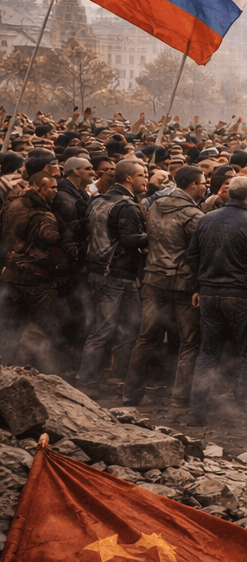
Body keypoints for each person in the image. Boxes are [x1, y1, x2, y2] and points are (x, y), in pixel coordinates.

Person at [185, 176, 247, 427]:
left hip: (209, 295)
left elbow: (192, 256)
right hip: (242, 296)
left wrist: (197, 286)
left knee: (207, 353)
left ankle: (196, 411)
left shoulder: (205, 219)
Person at [122, 165, 206, 406]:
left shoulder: (156, 205)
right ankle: (180, 398)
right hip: (182, 283)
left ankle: (131, 393)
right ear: (192, 186)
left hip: (153, 278)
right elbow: (198, 254)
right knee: (189, 342)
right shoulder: (194, 215)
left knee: (146, 338)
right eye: (202, 182)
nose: (205, 186)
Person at [78, 159, 149, 394]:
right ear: (128, 178)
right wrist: (154, 233)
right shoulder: (127, 206)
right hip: (116, 273)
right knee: (109, 330)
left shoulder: (98, 199)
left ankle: (114, 379)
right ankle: (89, 382)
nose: (146, 179)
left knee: (121, 329)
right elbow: (130, 240)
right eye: (142, 175)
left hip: (101, 271)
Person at [1, 172, 64, 371]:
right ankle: (26, 369)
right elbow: (53, 241)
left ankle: (9, 367)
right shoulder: (44, 215)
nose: (55, 191)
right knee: (39, 327)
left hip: (12, 272)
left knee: (15, 324)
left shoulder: (12, 205)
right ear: (39, 188)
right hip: (36, 277)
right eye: (52, 188)